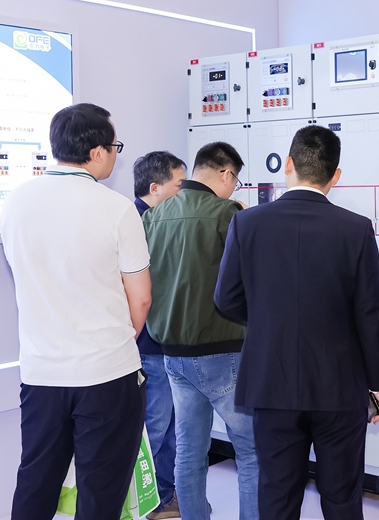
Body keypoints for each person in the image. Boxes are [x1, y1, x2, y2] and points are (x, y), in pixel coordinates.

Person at [214, 125, 379, 520]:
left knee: (277, 495)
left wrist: (268, 319)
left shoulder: (247, 223)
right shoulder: (356, 228)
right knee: (342, 497)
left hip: (271, 384)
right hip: (340, 386)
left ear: (288, 165)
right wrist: (376, 383)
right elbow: (370, 312)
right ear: (335, 175)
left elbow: (226, 298)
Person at [0, 103, 151, 520]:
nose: (116, 154)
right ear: (98, 152)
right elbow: (140, 298)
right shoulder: (117, 208)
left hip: (41, 373)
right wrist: (118, 340)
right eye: (115, 146)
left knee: (36, 481)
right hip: (106, 374)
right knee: (101, 490)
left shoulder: (16, 201)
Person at [142, 142, 258, 520]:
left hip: (172, 354)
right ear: (226, 174)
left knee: (189, 452)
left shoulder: (153, 216)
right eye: (236, 181)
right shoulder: (228, 214)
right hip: (223, 351)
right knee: (252, 452)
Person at [132, 151, 187, 519]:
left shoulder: (153, 221)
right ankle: (146, 502)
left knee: (167, 427)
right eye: (179, 185)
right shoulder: (137, 224)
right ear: (155, 188)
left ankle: (163, 497)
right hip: (149, 344)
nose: (185, 193)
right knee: (155, 426)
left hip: (160, 342)